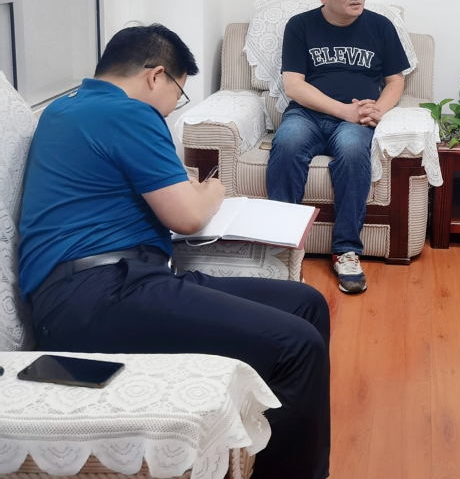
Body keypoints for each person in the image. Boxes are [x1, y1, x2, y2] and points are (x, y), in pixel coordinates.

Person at [18, 24, 331, 479]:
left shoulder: (65, 108)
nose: (171, 107)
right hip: (100, 295)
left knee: (307, 304)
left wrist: (190, 194)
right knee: (297, 344)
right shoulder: (128, 114)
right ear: (155, 76)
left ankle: (269, 456)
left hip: (102, 289)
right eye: (179, 93)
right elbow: (187, 216)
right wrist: (214, 191)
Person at [266, 0, 408, 294]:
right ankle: (283, 246)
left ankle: (346, 250)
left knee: (354, 151)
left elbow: (395, 81)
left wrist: (377, 111)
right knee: (286, 145)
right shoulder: (300, 26)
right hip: (308, 114)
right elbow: (294, 86)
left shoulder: (380, 27)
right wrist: (343, 111)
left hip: (357, 117)